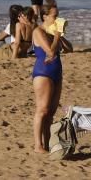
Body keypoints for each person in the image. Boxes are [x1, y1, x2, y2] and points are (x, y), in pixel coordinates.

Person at [31, 24, 63, 152]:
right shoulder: (38, 31)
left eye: (57, 16)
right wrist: (56, 37)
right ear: (45, 17)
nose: (56, 19)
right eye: (53, 16)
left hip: (57, 72)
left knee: (51, 113)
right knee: (42, 110)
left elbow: (69, 48)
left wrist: (60, 36)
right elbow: (50, 51)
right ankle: (38, 145)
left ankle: (48, 143)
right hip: (43, 71)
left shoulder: (53, 32)